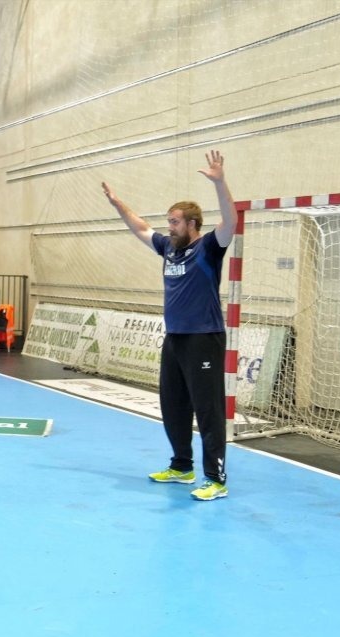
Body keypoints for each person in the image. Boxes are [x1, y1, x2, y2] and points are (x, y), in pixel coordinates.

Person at [101, 150, 237, 502]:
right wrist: (118, 204)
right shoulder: (169, 250)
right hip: (175, 338)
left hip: (204, 338)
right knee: (173, 404)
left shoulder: (208, 248)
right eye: (169, 221)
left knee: (207, 409)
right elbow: (141, 228)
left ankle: (216, 479)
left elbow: (230, 222)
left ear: (192, 224)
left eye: (175, 222)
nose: (169, 227)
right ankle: (181, 466)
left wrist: (220, 183)